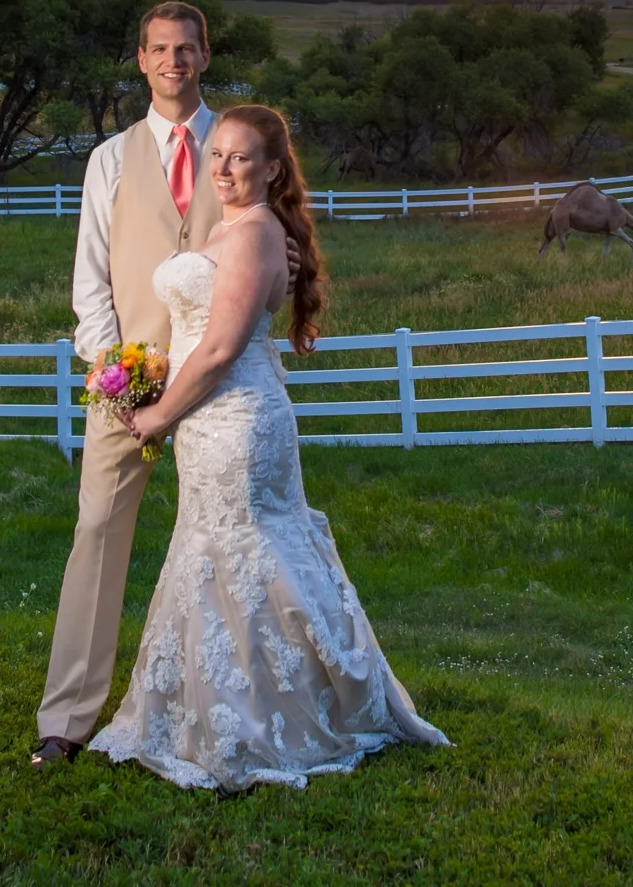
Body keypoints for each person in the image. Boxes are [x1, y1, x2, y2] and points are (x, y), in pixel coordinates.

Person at [85, 104, 449, 791]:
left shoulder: (254, 232)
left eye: (241, 157)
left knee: (243, 551)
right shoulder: (238, 227)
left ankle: (272, 715)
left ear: (273, 168)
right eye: (216, 154)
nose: (223, 167)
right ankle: (219, 705)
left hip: (237, 418)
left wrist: (159, 413)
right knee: (224, 551)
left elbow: (221, 348)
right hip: (210, 415)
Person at [32, 0, 231, 767]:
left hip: (218, 376)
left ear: (205, 58)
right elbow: (90, 282)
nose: (174, 61)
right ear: (141, 61)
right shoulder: (110, 159)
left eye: (187, 49)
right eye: (159, 50)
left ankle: (218, 712)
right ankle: (67, 717)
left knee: (220, 538)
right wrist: (118, 373)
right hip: (132, 376)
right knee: (96, 532)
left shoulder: (235, 145)